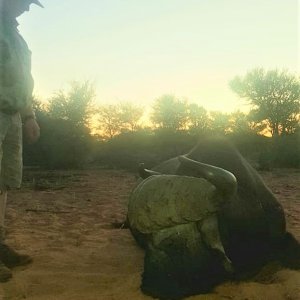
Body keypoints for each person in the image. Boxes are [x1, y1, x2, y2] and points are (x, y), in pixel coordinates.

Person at [0, 0, 42, 281]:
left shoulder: (15, 35)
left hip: (13, 115)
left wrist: (29, 115)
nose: (27, 8)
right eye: (24, 1)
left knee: (4, 182)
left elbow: (23, 79)